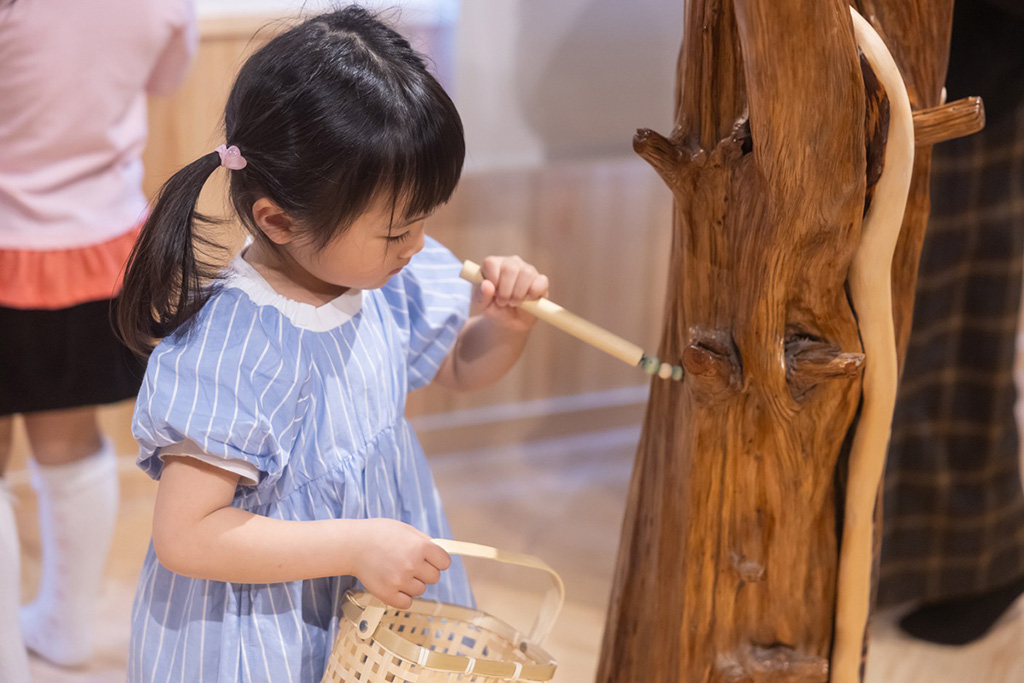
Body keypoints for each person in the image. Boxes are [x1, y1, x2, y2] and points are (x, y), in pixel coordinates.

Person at [116, 7, 549, 682]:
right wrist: (355, 543)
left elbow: (462, 366)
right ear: (279, 219)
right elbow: (186, 534)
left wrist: (506, 326)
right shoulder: (236, 348)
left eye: (421, 222)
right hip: (259, 629)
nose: (416, 246)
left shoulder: (373, 276)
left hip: (369, 602)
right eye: (396, 231)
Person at [0, 0, 196, 677]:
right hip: (101, 241)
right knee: (71, 438)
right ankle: (65, 624)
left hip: (10, 241)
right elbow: (170, 75)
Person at [879, 0, 1024, 646]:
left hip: (974, 86)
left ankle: (986, 562)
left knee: (951, 332)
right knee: (887, 338)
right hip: (884, 79)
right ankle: (889, 554)